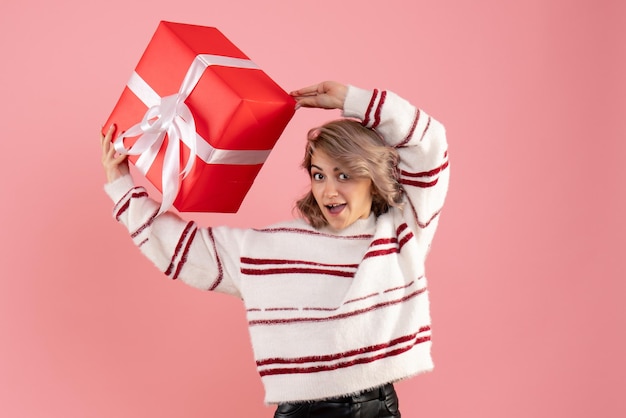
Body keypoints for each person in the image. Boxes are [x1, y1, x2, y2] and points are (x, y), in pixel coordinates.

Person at [101, 81, 450, 418]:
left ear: (373, 179)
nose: (329, 191)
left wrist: (354, 99)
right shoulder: (272, 248)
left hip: (380, 406)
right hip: (305, 410)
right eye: (319, 174)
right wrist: (121, 186)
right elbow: (184, 249)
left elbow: (430, 143)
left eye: (345, 176)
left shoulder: (402, 231)